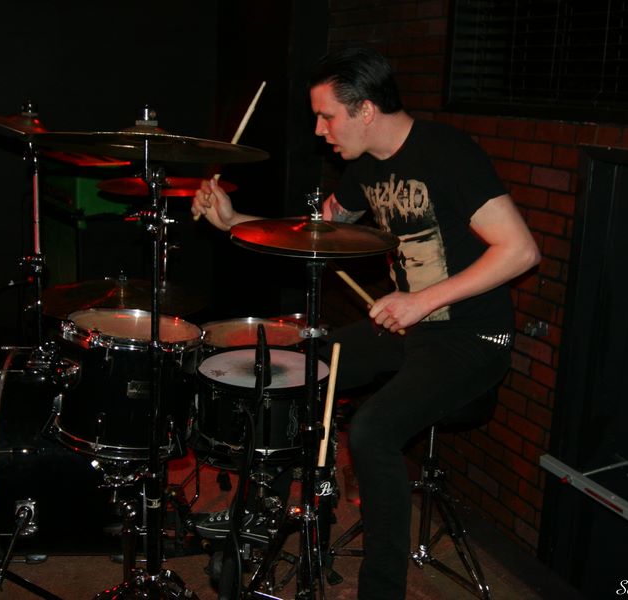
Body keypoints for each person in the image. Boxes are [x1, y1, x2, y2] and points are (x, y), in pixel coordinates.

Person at [192, 47, 540, 600]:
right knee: (294, 372)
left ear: (367, 110)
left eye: (327, 116)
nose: (319, 130)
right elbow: (311, 232)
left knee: (373, 430)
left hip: (471, 337)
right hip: (409, 329)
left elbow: (520, 250)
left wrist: (421, 301)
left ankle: (382, 592)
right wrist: (233, 220)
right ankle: (262, 520)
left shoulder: (448, 152)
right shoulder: (365, 169)